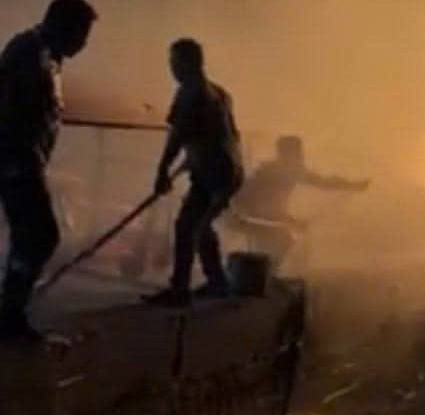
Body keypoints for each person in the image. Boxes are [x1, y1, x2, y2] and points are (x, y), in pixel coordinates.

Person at [0, 0, 96, 341]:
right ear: (61, 24)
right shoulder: (31, 54)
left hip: (25, 157)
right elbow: (11, 110)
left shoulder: (44, 55)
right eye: (81, 33)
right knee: (39, 235)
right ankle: (11, 313)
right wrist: (16, 160)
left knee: (34, 236)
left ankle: (12, 309)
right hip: (16, 157)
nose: (83, 43)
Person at [144, 39, 243, 307]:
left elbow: (177, 137)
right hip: (226, 170)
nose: (171, 69)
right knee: (199, 224)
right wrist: (195, 158)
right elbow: (229, 135)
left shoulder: (190, 93)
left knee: (187, 226)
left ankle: (180, 291)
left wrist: (162, 171)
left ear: (184, 63)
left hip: (213, 173)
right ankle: (217, 282)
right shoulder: (220, 93)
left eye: (173, 63)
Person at [230, 135, 368, 270]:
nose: (300, 156)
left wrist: (351, 185)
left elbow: (323, 182)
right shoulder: (276, 172)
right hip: (244, 215)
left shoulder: (285, 170)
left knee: (277, 243)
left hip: (251, 214)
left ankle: (263, 275)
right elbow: (261, 207)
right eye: (297, 152)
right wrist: (292, 221)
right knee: (281, 241)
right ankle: (263, 276)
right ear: (287, 153)